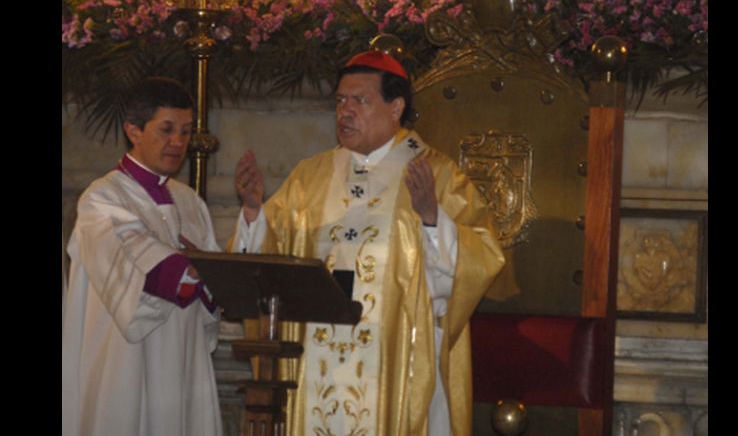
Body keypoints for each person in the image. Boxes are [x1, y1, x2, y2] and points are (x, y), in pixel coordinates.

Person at [231, 51, 505, 435]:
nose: (345, 111)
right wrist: (253, 211)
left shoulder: (437, 174)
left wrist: (432, 218)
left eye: (360, 100)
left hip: (396, 360)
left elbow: (481, 260)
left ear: (396, 107)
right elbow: (269, 260)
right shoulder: (311, 175)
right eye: (340, 100)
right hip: (316, 360)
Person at [62, 77, 223, 436]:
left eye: (184, 131)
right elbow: (137, 275)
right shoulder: (102, 199)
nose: (178, 142)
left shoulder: (190, 201)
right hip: (126, 366)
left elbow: (216, 282)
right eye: (166, 130)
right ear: (133, 130)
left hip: (184, 358)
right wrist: (194, 268)